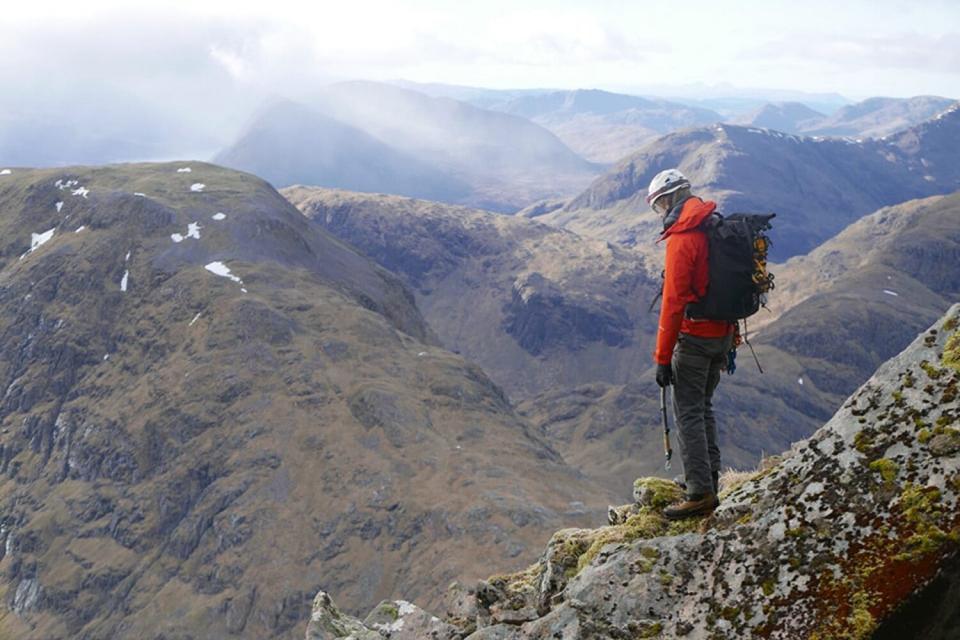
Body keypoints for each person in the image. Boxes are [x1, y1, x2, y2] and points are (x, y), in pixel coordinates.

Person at [646, 169, 734, 520]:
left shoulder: (683, 238)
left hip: (696, 338)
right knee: (704, 407)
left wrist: (662, 358)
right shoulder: (714, 224)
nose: (659, 213)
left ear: (668, 199)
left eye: (657, 206)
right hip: (722, 334)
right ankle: (708, 479)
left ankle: (699, 493)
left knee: (688, 412)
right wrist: (731, 340)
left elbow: (673, 303)